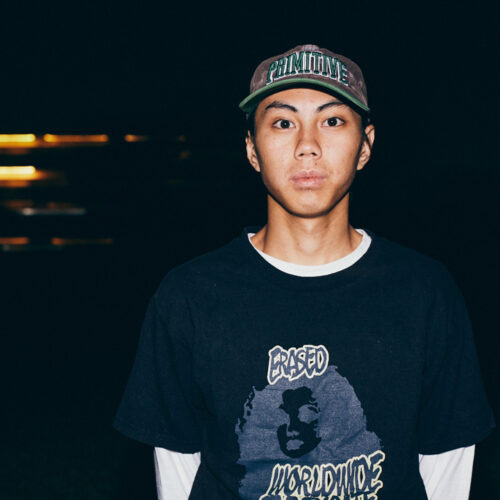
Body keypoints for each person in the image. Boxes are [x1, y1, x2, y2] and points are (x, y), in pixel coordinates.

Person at [113, 44, 494, 499]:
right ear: (252, 150)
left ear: (365, 145)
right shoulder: (189, 295)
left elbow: (446, 461)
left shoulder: (425, 292)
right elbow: (177, 467)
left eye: (332, 121)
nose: (307, 146)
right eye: (283, 122)